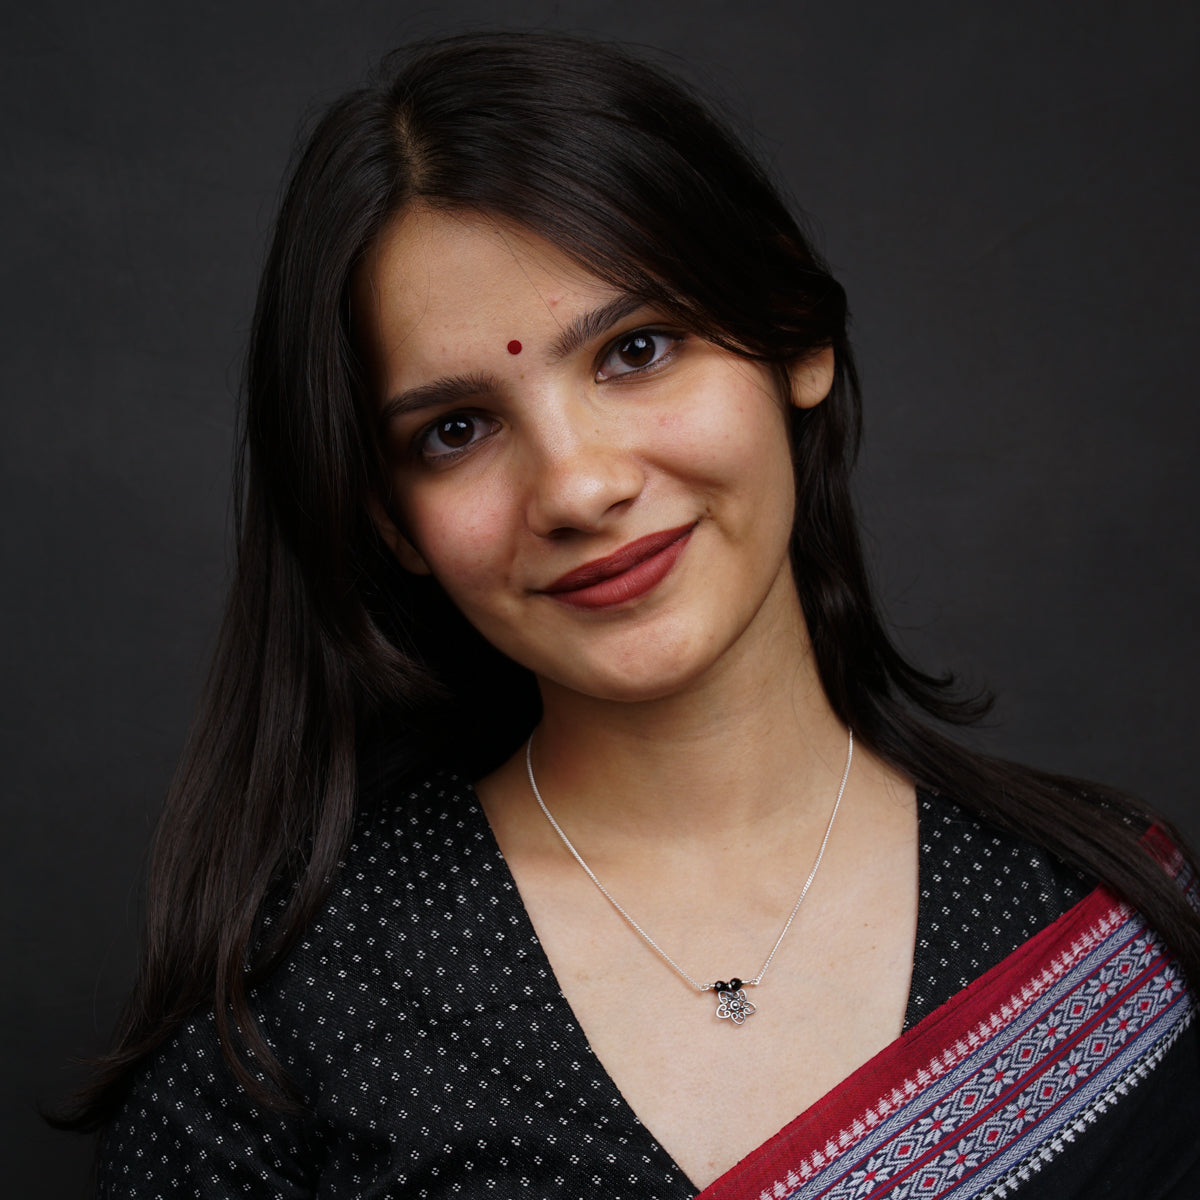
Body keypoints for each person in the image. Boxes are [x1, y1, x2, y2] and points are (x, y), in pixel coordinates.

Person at [62, 31, 1198, 1198]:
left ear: (793, 331)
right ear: (391, 520)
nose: (578, 486)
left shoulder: (1104, 917)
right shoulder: (286, 1018)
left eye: (636, 350)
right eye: (456, 430)